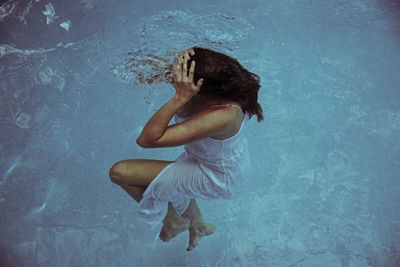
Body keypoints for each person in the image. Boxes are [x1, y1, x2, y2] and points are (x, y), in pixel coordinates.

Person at [109, 47, 263, 251]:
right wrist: (161, 70)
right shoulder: (210, 86)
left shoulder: (224, 115)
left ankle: (173, 222)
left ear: (197, 88)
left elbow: (147, 140)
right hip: (210, 158)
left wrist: (179, 98)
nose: (175, 76)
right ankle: (198, 225)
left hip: (219, 176)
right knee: (176, 180)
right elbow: (136, 70)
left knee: (120, 172)